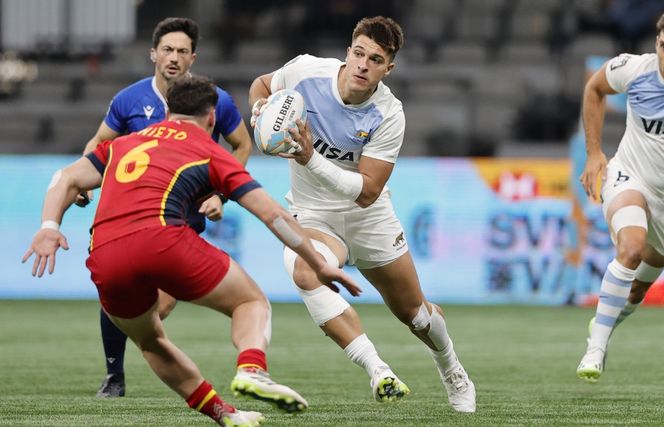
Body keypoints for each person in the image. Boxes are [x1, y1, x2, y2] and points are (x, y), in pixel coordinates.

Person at [23, 75, 361, 425]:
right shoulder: (210, 151)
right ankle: (252, 370)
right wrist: (316, 262)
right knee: (250, 302)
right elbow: (271, 213)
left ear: (167, 110)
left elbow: (64, 178)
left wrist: (49, 227)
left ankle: (224, 415)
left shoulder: (123, 144)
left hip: (104, 254)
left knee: (151, 341)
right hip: (161, 240)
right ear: (212, 118)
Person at [248, 16, 476, 412]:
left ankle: (452, 369)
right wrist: (260, 111)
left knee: (417, 316)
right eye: (358, 53)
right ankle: (378, 369)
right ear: (347, 50)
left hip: (368, 219)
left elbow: (368, 192)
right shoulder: (305, 72)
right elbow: (263, 84)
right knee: (305, 270)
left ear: (388, 68)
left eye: (375, 59)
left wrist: (309, 157)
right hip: (314, 216)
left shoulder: (389, 114)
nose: (362, 65)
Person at [79, 17, 253, 397]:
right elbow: (99, 143)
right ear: (153, 54)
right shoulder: (129, 99)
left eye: (182, 51)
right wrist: (83, 184)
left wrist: (218, 193)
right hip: (130, 215)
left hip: (182, 218)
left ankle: (160, 366)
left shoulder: (214, 100)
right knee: (122, 293)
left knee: (158, 307)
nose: (174, 58)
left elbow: (242, 144)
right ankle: (114, 376)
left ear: (194, 57)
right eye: (168, 50)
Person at [576, 13, 664, 383]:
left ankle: (605, 323)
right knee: (630, 248)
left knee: (636, 291)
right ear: (658, 41)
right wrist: (595, 154)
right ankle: (595, 348)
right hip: (630, 175)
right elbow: (595, 89)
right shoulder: (634, 69)